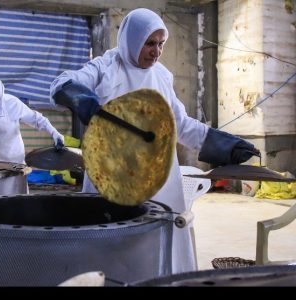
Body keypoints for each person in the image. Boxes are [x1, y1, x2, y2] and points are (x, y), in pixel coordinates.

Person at [50, 8, 260, 274]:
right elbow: (62, 83)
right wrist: (78, 96)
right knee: (112, 244)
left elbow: (180, 125)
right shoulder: (106, 67)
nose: (157, 51)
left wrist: (224, 144)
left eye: (161, 43)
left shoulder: (162, 75)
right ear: (131, 40)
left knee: (159, 244)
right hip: (113, 175)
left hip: (159, 176)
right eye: (150, 43)